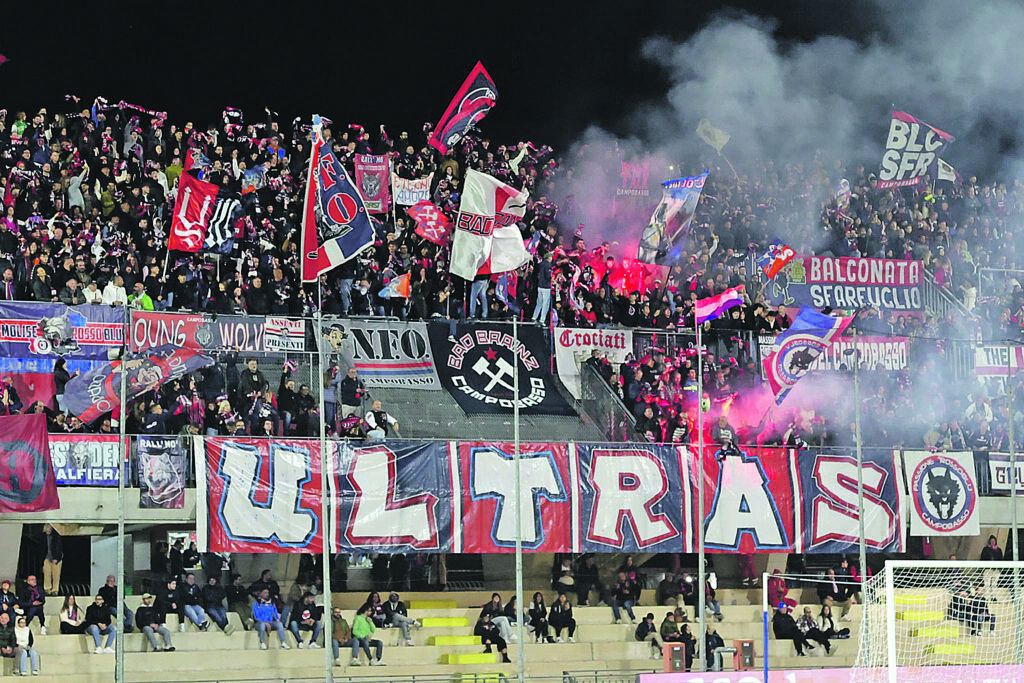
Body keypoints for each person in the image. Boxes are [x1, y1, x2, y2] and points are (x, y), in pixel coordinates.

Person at [981, 534, 1004, 600]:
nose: (993, 542)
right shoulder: (986, 549)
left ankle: (994, 597)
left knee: (994, 584)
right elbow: (982, 558)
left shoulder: (999, 550)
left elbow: (1001, 559)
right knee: (987, 584)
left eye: (994, 541)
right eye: (991, 541)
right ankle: (987, 597)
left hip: (996, 569)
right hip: (988, 569)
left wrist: (999, 569)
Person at [42, 524, 62, 596]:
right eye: (46, 531)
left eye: (48, 530)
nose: (47, 532)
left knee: (56, 575)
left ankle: (55, 590)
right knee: (47, 574)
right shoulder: (44, 537)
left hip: (56, 558)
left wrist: (56, 558)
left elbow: (58, 548)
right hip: (47, 558)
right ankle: (47, 589)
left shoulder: (56, 536)